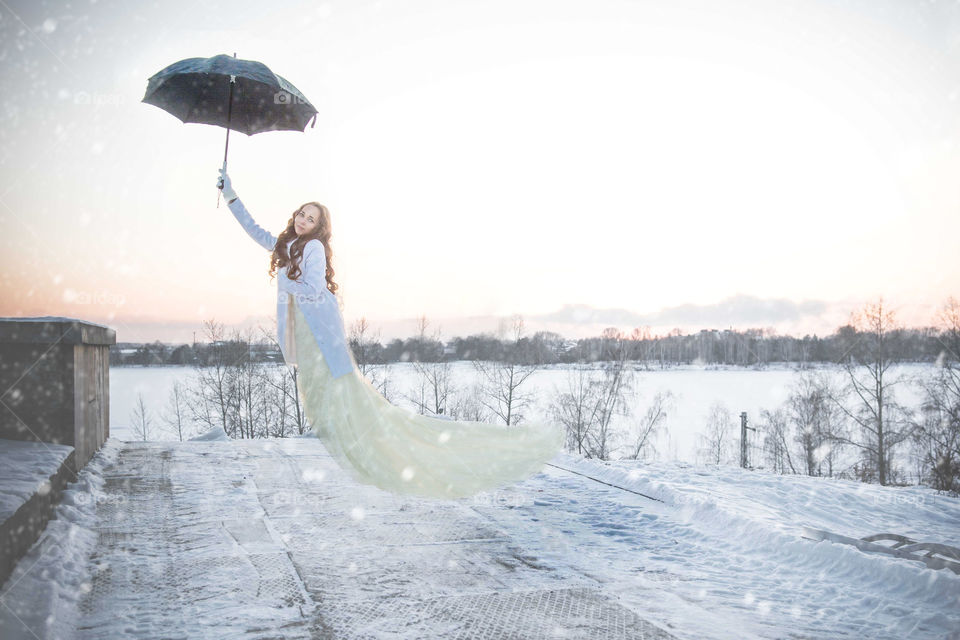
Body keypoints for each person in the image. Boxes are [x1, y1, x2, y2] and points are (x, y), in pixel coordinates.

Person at [217, 168, 565, 500]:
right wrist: (231, 196)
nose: (303, 220)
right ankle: (351, 439)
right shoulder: (290, 243)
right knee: (328, 391)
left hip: (320, 332)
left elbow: (312, 288)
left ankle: (370, 445)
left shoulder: (313, 248)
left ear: (320, 228)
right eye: (301, 214)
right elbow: (256, 231)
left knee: (342, 392)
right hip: (307, 332)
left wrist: (284, 281)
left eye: (311, 218)